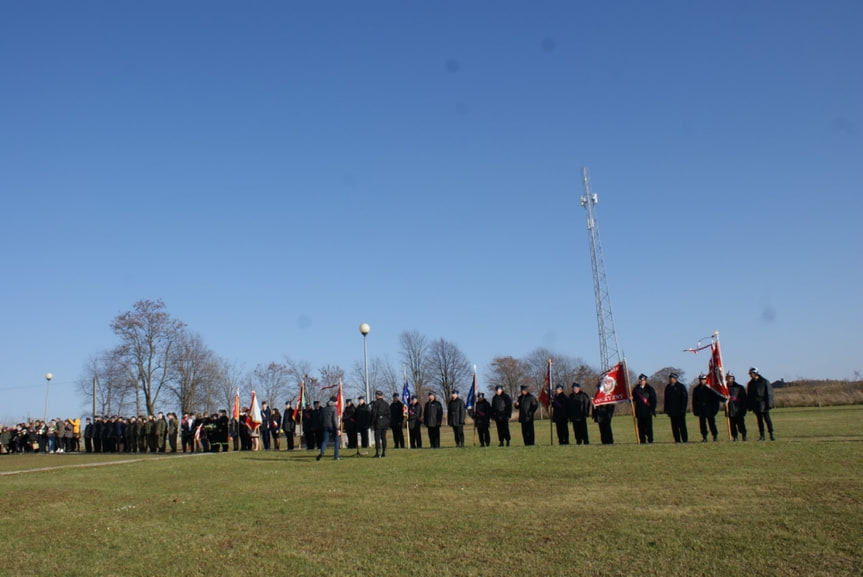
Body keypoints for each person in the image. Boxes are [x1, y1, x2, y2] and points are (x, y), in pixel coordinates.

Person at [692, 374, 722, 442]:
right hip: (701, 409)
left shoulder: (711, 388)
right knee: (702, 424)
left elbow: (715, 400)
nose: (702, 381)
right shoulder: (696, 389)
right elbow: (694, 401)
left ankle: (715, 436)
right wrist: (695, 410)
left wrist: (715, 410)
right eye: (701, 379)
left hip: (710, 409)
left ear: (706, 380)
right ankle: (704, 437)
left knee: (712, 423)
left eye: (703, 379)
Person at [747, 367, 774, 441]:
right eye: (750, 374)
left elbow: (769, 393)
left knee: (767, 419)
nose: (750, 375)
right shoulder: (750, 384)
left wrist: (769, 404)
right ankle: (762, 435)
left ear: (755, 373)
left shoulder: (764, 382)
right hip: (755, 404)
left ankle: (771, 434)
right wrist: (749, 406)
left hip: (764, 404)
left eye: (751, 374)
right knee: (759, 421)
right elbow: (749, 395)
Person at [632, 374, 657, 444]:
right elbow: (633, 399)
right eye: (640, 380)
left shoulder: (650, 389)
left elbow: (653, 400)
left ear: (645, 380)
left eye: (642, 380)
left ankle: (650, 440)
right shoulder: (636, 389)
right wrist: (631, 399)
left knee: (648, 427)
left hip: (648, 411)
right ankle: (642, 440)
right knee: (641, 428)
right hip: (639, 411)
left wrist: (652, 409)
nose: (641, 381)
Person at [664, 372, 689, 443]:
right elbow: (666, 399)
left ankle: (685, 440)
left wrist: (683, 408)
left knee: (682, 426)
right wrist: (666, 409)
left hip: (680, 410)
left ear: (675, 379)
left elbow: (685, 398)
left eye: (672, 378)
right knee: (674, 427)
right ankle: (677, 440)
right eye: (670, 378)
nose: (670, 379)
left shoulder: (681, 387)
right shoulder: (668, 387)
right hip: (672, 410)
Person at [316, 396, 341, 461]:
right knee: (337, 440)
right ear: (335, 402)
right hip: (332, 426)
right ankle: (336, 456)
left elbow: (320, 419)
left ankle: (322, 451)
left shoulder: (324, 409)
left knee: (325, 440)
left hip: (325, 426)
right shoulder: (334, 409)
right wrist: (337, 429)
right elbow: (335, 419)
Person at [726, 373, 748, 441]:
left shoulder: (739, 387)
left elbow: (744, 399)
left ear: (733, 378)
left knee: (740, 424)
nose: (729, 379)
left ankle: (744, 435)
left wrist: (743, 409)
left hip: (738, 408)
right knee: (732, 425)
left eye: (730, 378)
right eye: (727, 378)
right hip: (730, 408)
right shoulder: (725, 388)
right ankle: (735, 436)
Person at [370, 390, 390, 458]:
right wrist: (387, 421)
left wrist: (372, 422)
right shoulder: (386, 404)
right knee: (383, 437)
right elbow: (389, 414)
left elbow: (374, 414)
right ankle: (384, 452)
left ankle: (378, 452)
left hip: (378, 422)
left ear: (377, 395)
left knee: (377, 438)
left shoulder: (376, 403)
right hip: (385, 422)